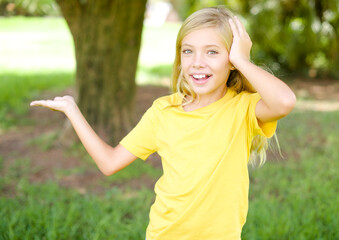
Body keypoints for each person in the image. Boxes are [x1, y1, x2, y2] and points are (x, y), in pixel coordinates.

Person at [30, 6, 296, 240]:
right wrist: (72, 110)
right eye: (188, 51)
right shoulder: (163, 111)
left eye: (212, 52)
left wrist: (243, 60)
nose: (197, 63)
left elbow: (284, 101)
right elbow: (109, 163)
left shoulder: (242, 107)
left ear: (231, 61)